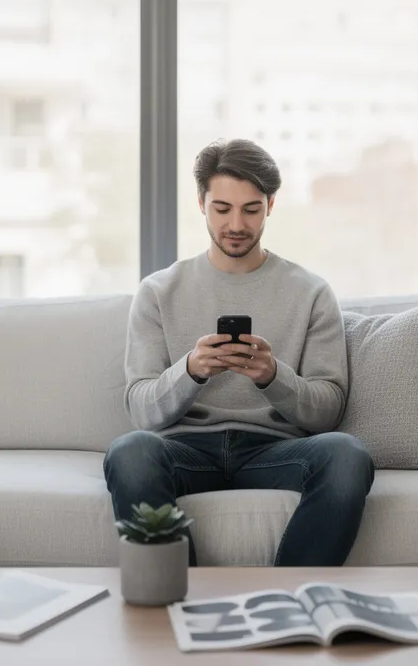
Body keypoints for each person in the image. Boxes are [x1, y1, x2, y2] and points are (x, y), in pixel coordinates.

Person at [103, 138, 374, 567]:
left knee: (347, 455)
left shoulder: (312, 292)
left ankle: (288, 601)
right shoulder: (158, 291)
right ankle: (178, 604)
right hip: (186, 452)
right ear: (201, 203)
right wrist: (190, 371)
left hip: (274, 452)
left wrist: (273, 376)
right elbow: (141, 409)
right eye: (222, 208)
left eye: (250, 209)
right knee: (130, 451)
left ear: (270, 206)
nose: (236, 224)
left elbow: (328, 412)